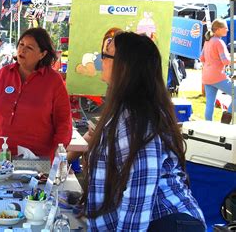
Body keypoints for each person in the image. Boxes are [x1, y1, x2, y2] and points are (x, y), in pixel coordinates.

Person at [84, 32, 205, 231]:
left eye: (106, 55)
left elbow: (139, 192)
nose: (100, 60)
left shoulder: (137, 118)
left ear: (125, 66)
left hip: (168, 224)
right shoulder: (125, 111)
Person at [0, 27, 72, 163]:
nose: (22, 50)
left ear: (42, 54)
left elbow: (64, 122)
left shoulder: (54, 81)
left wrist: (56, 156)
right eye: (21, 44)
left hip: (36, 162)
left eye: (30, 47)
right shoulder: (3, 74)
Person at [200, 18, 234, 123]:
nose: (227, 30)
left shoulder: (207, 41)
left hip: (206, 76)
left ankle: (208, 126)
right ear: (218, 29)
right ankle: (226, 119)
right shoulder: (219, 42)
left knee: (210, 103)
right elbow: (226, 61)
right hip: (218, 76)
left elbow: (202, 58)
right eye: (225, 28)